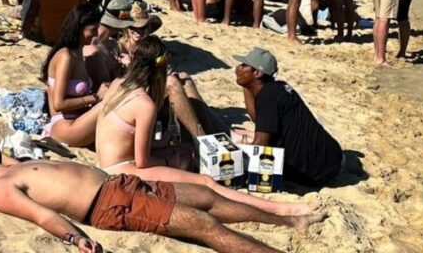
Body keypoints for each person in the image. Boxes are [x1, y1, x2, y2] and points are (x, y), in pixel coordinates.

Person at [0, 137, 327, 253]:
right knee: (204, 225)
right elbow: (42, 216)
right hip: (111, 205)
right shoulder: (1, 189)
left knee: (206, 197)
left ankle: (290, 219)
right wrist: (76, 238)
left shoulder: (4, 167)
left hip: (120, 185)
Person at [95, 37, 323, 218]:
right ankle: (280, 209)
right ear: (161, 67)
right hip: (121, 170)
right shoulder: (144, 104)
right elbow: (142, 162)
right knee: (206, 182)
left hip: (104, 162)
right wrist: (167, 160)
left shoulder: (117, 84)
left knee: (183, 152)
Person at [232, 48, 343, 188]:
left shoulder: (268, 98)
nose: (237, 68)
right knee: (239, 133)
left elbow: (260, 146)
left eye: (243, 65)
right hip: (331, 158)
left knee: (237, 148)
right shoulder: (278, 88)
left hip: (315, 174)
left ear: (257, 73)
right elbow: (258, 119)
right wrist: (246, 85)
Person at [41, 3, 107, 147]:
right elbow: (59, 104)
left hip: (78, 120)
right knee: (110, 104)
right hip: (65, 126)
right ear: (79, 29)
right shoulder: (66, 56)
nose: (96, 34)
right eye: (93, 30)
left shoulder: (78, 52)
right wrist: (95, 97)